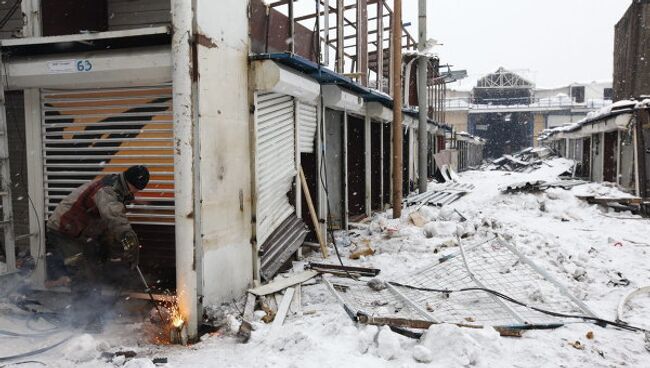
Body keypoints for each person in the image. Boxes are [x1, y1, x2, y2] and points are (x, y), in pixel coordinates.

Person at [44, 165, 149, 329]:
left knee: (95, 267)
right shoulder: (107, 191)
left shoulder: (119, 187)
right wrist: (128, 237)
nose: (135, 193)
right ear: (129, 181)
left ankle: (93, 311)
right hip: (64, 230)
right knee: (80, 272)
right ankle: (83, 319)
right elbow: (113, 216)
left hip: (82, 232)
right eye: (135, 188)